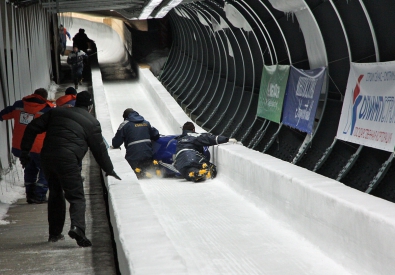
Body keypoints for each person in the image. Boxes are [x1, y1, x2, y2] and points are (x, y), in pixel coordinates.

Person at [20, 91, 121, 247]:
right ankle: (78, 229)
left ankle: (54, 234)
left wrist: (25, 152)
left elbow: (32, 127)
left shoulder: (56, 112)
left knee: (55, 194)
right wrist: (109, 169)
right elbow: (99, 150)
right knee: (76, 197)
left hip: (47, 157)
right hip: (68, 159)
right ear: (90, 107)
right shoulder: (92, 122)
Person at [0, 88, 54, 203]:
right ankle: (39, 195)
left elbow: (3, 115)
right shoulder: (47, 110)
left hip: (20, 148)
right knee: (47, 170)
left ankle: (30, 195)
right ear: (44, 98)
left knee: (30, 169)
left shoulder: (19, 105)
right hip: (39, 148)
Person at [112, 108, 160, 179]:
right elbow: (155, 134)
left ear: (125, 117)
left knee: (132, 166)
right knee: (147, 164)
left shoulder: (125, 125)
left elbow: (116, 142)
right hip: (148, 155)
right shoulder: (146, 122)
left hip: (133, 157)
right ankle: (152, 170)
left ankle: (139, 172)